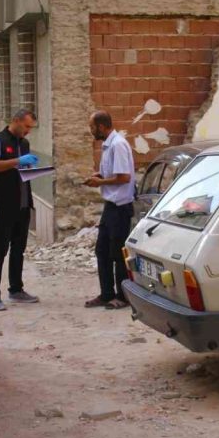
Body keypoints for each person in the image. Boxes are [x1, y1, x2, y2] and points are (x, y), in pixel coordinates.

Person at [0, 109, 41, 311]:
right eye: (26, 127)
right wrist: (18, 161)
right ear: (15, 121)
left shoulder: (24, 144)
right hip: (4, 204)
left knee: (19, 249)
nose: (28, 132)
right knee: (0, 249)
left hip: (23, 203)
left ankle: (16, 289)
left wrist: (30, 168)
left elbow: (20, 171)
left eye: (31, 128)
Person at [82, 111, 136, 309]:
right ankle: (106, 294)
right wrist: (98, 176)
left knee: (117, 254)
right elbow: (113, 173)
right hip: (110, 206)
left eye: (92, 127)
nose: (91, 131)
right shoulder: (108, 145)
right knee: (102, 251)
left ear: (102, 126)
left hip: (120, 208)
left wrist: (100, 182)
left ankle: (122, 297)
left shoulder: (118, 145)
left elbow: (124, 178)